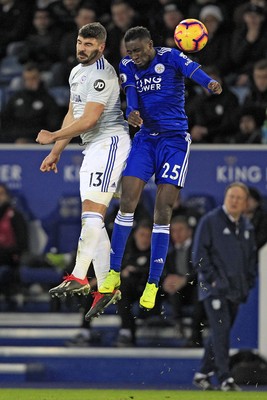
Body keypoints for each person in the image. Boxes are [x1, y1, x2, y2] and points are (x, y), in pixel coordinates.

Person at [85, 25, 222, 319]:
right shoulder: (126, 65)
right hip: (146, 139)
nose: (134, 56)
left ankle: (152, 283)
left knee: (163, 210)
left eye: (138, 50)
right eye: (129, 52)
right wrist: (131, 111)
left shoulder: (171, 56)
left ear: (150, 45)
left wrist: (209, 83)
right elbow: (131, 91)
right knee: (127, 202)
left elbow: (194, 71)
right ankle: (113, 273)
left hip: (174, 141)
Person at [35, 23, 131, 314]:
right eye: (80, 42)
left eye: (89, 44)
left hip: (110, 142)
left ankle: (79, 276)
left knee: (92, 214)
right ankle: (106, 284)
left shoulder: (102, 73)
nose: (82, 48)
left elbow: (89, 119)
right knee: (92, 216)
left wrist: (52, 134)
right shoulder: (76, 72)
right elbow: (72, 113)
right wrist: (56, 151)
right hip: (92, 148)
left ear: (101, 47)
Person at [192, 182, 257, 391]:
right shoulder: (210, 221)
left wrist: (248, 282)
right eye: (231, 197)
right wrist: (213, 279)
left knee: (221, 332)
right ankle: (225, 377)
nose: (235, 201)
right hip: (214, 290)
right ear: (225, 198)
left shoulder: (247, 227)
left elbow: (251, 259)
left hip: (236, 290)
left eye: (239, 198)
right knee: (221, 331)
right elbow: (198, 256)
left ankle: (202, 373)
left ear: (246, 203)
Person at [0, 63, 62, 143]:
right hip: (13, 138)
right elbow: (6, 120)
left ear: (39, 78)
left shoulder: (48, 100)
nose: (30, 82)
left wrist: (30, 139)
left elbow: (53, 126)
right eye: (27, 79)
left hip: (35, 141)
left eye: (33, 78)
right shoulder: (16, 98)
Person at [0, 184, 29, 304]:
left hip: (9, 256)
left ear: (7, 196)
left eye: (1, 194)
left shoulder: (15, 216)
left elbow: (22, 242)